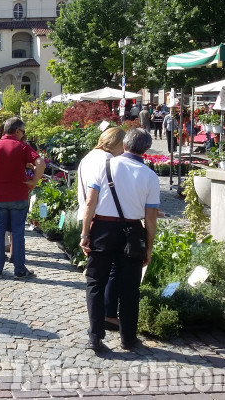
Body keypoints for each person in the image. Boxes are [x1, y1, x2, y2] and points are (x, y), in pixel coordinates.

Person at [79, 128, 160, 352]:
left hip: (103, 228)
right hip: (133, 231)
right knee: (130, 288)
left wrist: (85, 233)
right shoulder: (149, 176)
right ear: (145, 149)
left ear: (124, 144)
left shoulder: (105, 166)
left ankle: (95, 336)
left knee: (95, 282)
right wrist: (149, 247)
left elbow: (90, 203)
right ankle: (128, 338)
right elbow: (151, 217)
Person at [0, 117, 45, 279]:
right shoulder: (23, 147)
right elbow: (41, 163)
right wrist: (33, 181)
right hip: (19, 196)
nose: (23, 135)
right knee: (18, 232)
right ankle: (19, 269)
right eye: (23, 132)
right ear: (17, 131)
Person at [76, 127, 126, 332]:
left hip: (88, 218)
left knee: (96, 276)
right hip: (102, 220)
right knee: (109, 272)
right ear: (117, 144)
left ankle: (98, 325)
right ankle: (107, 316)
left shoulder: (88, 157)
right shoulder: (109, 161)